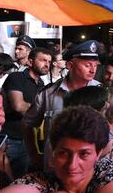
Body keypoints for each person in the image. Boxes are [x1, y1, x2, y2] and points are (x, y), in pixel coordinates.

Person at [21, 40, 102, 170]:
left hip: (89, 171)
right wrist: (34, 155)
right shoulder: (48, 94)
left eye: (95, 65)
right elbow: (28, 124)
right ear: (70, 66)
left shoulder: (101, 93)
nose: (93, 70)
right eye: (87, 65)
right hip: (54, 168)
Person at [1, 46, 53, 179]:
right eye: (43, 60)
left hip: (29, 141)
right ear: (30, 62)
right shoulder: (17, 78)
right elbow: (18, 106)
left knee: (21, 180)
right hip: (10, 139)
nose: (47, 64)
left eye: (49, 61)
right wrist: (43, 110)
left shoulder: (42, 85)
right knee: (3, 181)